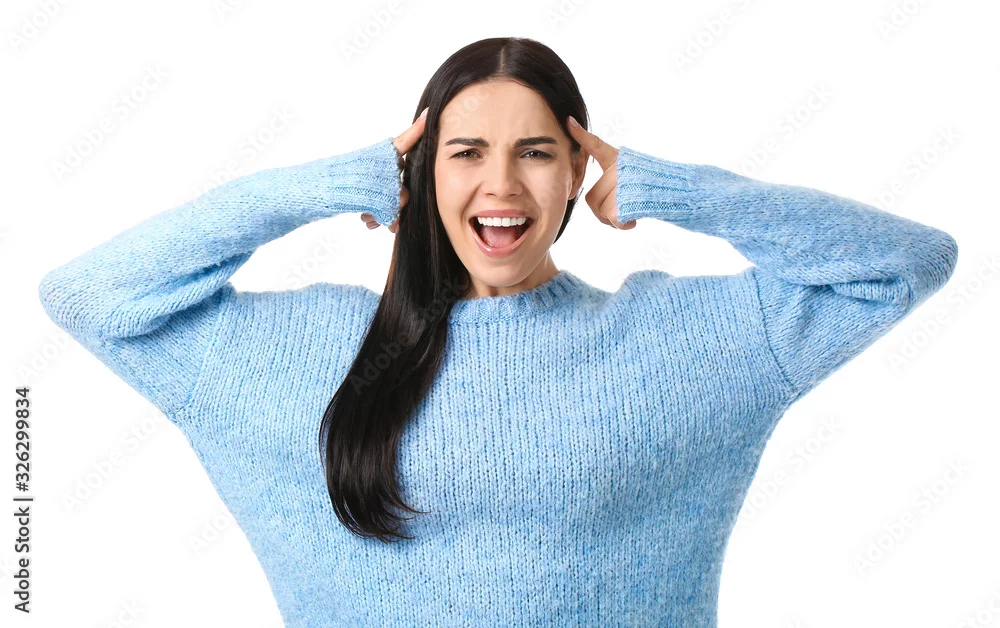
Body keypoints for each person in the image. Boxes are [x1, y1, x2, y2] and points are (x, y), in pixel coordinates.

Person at [38, 37, 958, 627]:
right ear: (420, 175)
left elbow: (905, 264)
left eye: (537, 152)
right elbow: (91, 296)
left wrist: (678, 191)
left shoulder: (684, 342)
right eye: (467, 153)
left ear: (578, 174)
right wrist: (319, 186)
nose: (502, 186)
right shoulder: (300, 354)